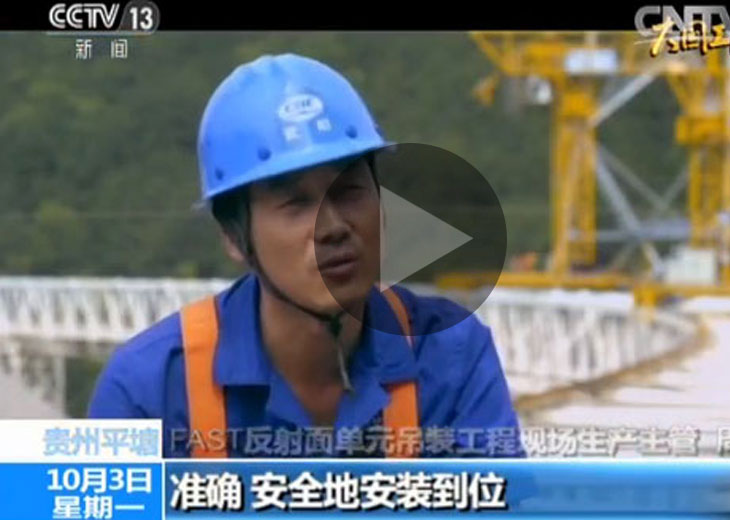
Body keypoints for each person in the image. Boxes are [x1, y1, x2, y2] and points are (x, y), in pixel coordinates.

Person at [88, 53, 525, 458]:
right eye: (296, 204)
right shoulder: (149, 391)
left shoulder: (450, 358)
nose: (333, 227)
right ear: (234, 236)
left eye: (350, 191)